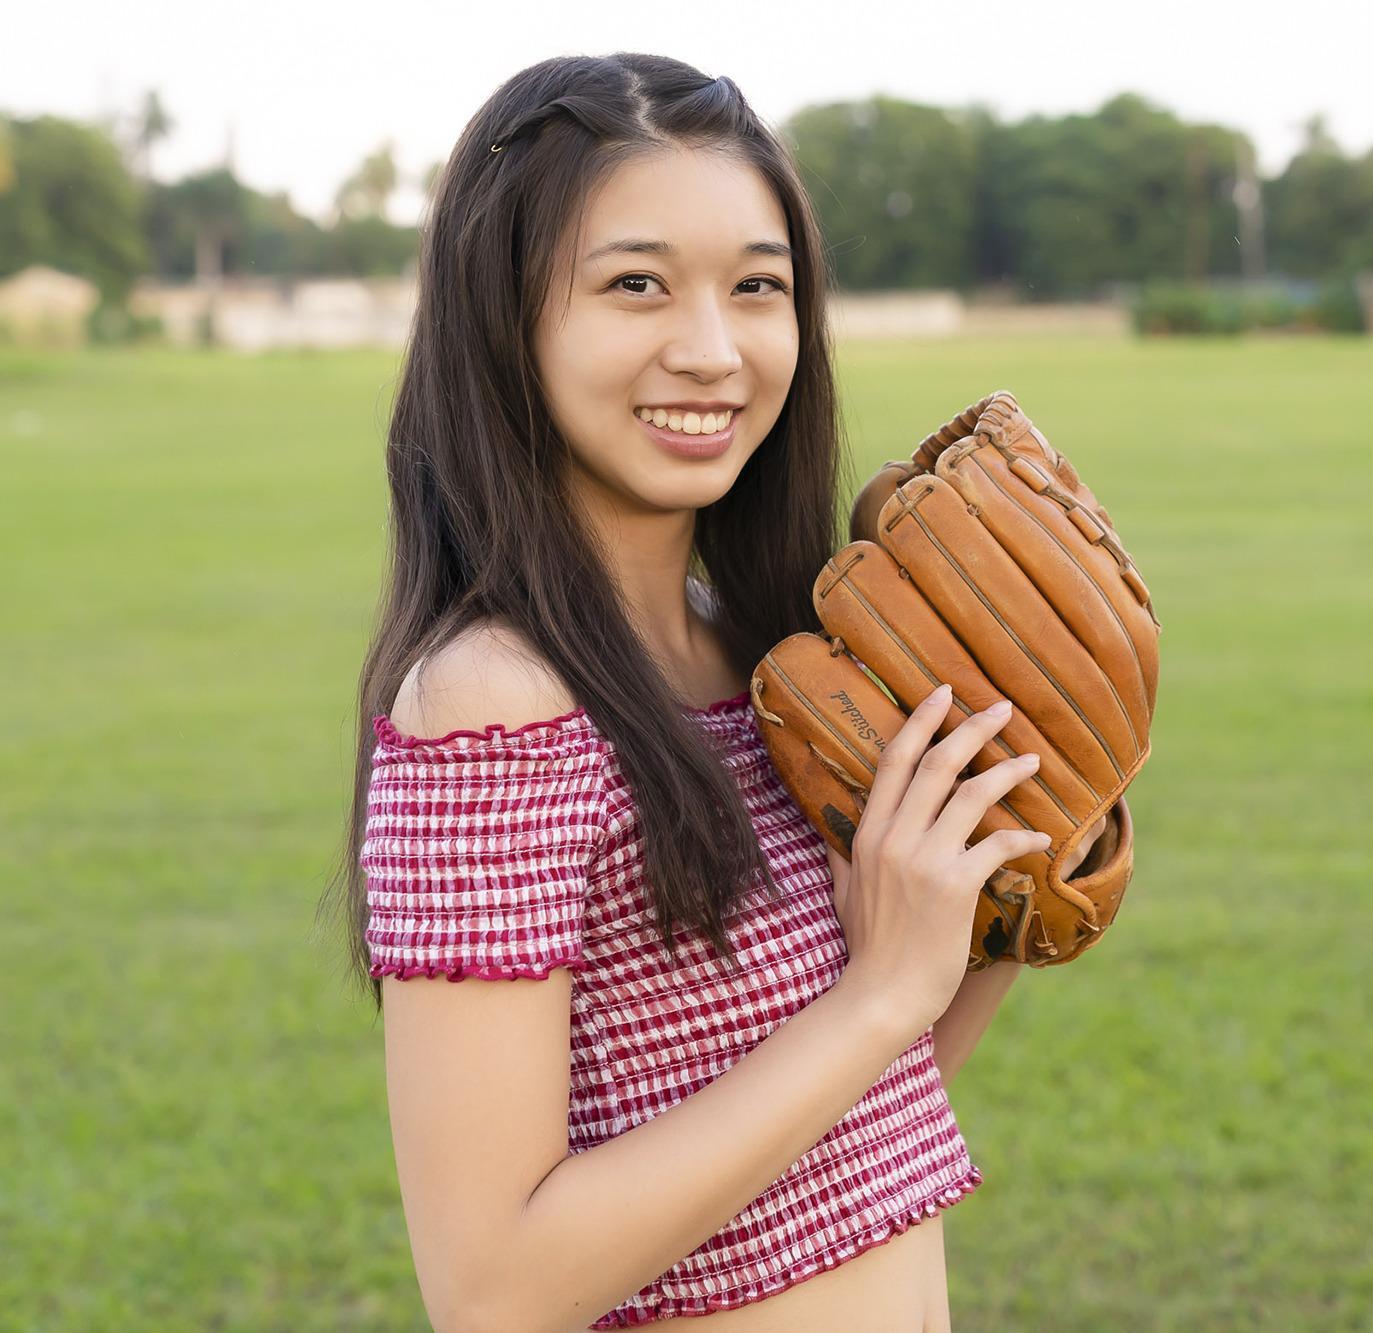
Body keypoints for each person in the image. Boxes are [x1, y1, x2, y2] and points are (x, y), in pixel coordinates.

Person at [320, 54, 1079, 1330]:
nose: (714, 350)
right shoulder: (492, 700)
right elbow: (491, 1289)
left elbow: (844, 1137)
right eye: (635, 285)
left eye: (757, 288)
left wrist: (989, 888)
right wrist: (878, 990)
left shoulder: (778, 662)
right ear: (502, 314)